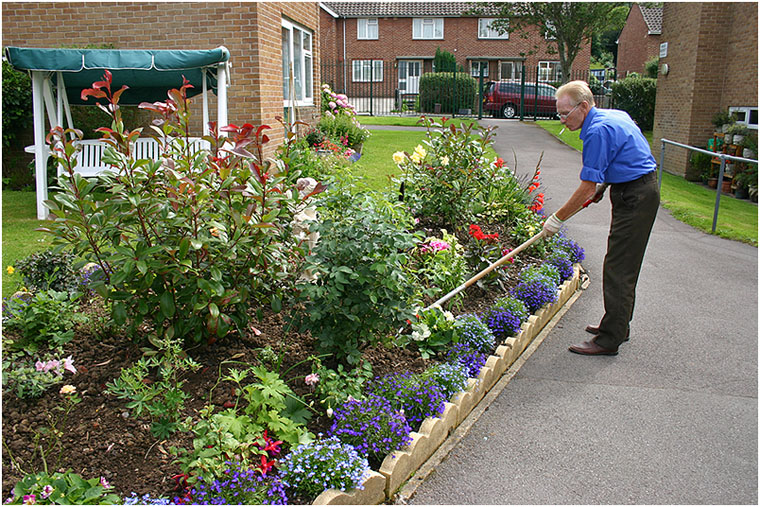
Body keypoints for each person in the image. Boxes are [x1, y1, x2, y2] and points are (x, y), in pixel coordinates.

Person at [543, 80, 659, 356]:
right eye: (558, 113)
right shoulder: (614, 115)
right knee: (621, 263)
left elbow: (586, 184)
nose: (561, 119)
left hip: (636, 195)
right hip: (634, 188)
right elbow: (623, 153)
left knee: (619, 267)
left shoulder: (596, 130)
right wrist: (604, 187)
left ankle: (610, 340)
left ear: (583, 106)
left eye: (565, 113)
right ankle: (618, 325)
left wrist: (556, 219)